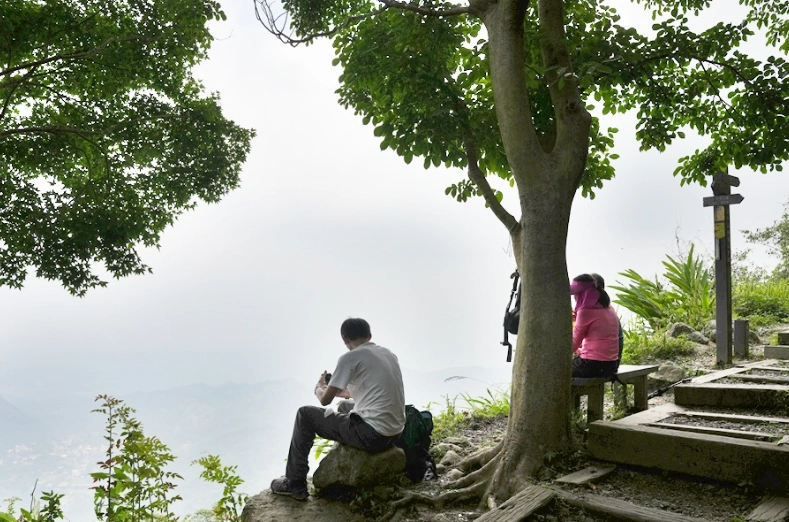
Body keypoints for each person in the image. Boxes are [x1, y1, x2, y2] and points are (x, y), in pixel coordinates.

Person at [270, 318, 406, 500]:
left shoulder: (349, 358)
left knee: (305, 414)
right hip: (395, 432)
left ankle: (294, 484)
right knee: (343, 406)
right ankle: (342, 459)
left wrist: (318, 387)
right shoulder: (388, 354)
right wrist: (336, 389)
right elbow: (362, 391)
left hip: (373, 435)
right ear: (369, 335)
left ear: (344, 339)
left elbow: (325, 401)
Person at [570, 274, 621, 379]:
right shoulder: (608, 307)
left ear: (584, 293)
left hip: (593, 365)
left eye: (576, 294)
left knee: (555, 370)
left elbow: (573, 344)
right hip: (611, 365)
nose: (575, 298)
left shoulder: (585, 311)